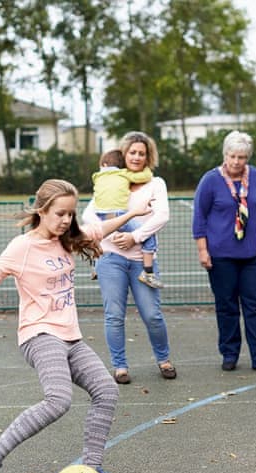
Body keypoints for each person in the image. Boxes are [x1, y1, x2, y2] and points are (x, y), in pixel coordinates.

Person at [0, 179, 150, 473]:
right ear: (42, 210)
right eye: (60, 213)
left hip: (70, 336)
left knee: (106, 392)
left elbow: (98, 231)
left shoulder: (67, 239)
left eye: (71, 214)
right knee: (58, 400)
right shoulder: (23, 247)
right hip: (39, 334)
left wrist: (132, 213)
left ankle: (93, 469)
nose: (66, 220)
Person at [82, 131, 176, 384]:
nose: (136, 157)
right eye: (132, 152)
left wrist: (135, 237)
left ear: (148, 157)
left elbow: (162, 215)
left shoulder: (156, 184)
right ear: (124, 154)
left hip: (141, 259)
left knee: (152, 315)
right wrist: (113, 236)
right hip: (111, 258)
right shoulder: (112, 180)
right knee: (114, 315)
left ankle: (164, 359)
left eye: (141, 153)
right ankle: (120, 366)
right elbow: (89, 215)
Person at [192, 130, 256, 373]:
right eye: (232, 156)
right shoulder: (210, 180)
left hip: (250, 253)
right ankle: (229, 353)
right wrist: (202, 250)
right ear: (225, 155)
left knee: (254, 305)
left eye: (242, 157)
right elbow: (199, 216)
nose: (237, 162)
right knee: (227, 305)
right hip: (221, 255)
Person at [90, 149, 162, 288]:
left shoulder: (97, 176)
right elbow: (145, 176)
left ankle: (95, 265)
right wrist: (145, 167)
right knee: (149, 237)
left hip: (100, 214)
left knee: (98, 236)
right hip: (118, 214)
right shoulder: (123, 174)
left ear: (104, 165)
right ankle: (148, 273)